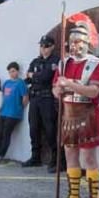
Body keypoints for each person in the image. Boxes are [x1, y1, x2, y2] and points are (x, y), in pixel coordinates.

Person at [53, 14, 99, 198]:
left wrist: (69, 84)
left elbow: (94, 92)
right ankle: (73, 196)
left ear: (87, 42)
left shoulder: (96, 64)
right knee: (70, 155)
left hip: (87, 115)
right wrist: (58, 90)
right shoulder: (64, 64)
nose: (73, 45)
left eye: (78, 41)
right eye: (71, 41)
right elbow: (55, 90)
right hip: (69, 115)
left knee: (88, 159)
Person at [23, 36, 60, 172]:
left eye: (46, 46)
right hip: (35, 98)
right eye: (42, 46)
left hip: (47, 98)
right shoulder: (35, 61)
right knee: (34, 128)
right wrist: (34, 75)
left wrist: (34, 75)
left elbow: (46, 78)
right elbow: (27, 78)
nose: (43, 49)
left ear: (52, 46)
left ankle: (56, 159)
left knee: (50, 129)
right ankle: (35, 157)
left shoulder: (56, 61)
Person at [0, 62, 28, 163]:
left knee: (6, 134)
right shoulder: (6, 83)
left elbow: (25, 98)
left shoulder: (20, 83)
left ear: (17, 71)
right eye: (10, 72)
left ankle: (0, 155)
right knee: (0, 133)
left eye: (13, 71)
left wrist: (19, 108)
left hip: (13, 114)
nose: (11, 73)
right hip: (4, 112)